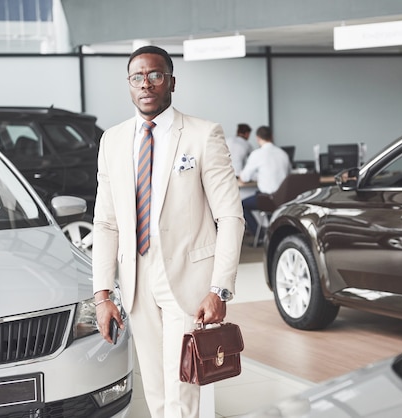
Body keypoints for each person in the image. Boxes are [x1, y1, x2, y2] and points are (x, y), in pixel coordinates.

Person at [92, 45, 245, 418]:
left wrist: (218, 288)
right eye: (137, 77)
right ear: (129, 85)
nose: (146, 84)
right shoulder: (112, 140)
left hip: (188, 277)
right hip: (136, 276)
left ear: (171, 82)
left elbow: (230, 216)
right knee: (156, 388)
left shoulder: (202, 134)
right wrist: (102, 296)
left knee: (183, 387)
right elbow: (106, 222)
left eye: (155, 75)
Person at [238, 125, 291, 238]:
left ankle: (261, 236)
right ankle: (272, 233)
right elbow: (288, 174)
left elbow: (244, 177)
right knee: (266, 203)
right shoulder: (283, 154)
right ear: (272, 137)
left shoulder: (257, 154)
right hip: (283, 198)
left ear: (257, 138)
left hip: (267, 199)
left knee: (241, 205)